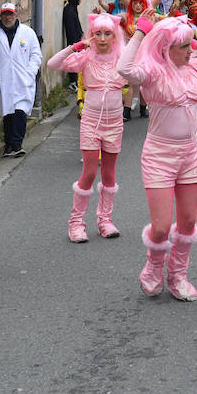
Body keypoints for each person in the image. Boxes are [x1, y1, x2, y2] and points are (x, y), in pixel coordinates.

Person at [117, 16, 197, 300]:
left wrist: (193, 40)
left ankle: (178, 276)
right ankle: (154, 267)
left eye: (188, 46)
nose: (189, 51)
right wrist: (140, 34)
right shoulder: (152, 72)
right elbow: (124, 68)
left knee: (188, 223)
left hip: (191, 154)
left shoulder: (195, 66)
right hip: (159, 154)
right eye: (181, 47)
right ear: (166, 47)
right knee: (159, 227)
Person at [45, 13, 128, 242]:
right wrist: (77, 46)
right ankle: (76, 223)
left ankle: (105, 220)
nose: (101, 38)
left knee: (109, 174)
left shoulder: (122, 58)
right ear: (91, 35)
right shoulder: (85, 57)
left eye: (107, 33)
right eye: (97, 33)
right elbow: (53, 63)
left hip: (115, 122)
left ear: (114, 36)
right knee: (90, 172)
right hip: (91, 121)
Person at [0, 2, 42, 158]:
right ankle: (9, 145)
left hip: (23, 81)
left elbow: (36, 55)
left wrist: (30, 72)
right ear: (1, 16)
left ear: (16, 15)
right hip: (4, 81)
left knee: (20, 111)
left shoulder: (28, 33)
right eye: (5, 14)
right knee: (8, 114)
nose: (8, 17)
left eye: (10, 14)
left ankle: (17, 144)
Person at [61, 0, 84, 87]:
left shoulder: (72, 9)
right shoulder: (69, 11)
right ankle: (72, 82)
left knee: (76, 61)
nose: (80, 0)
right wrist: (75, 43)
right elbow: (70, 29)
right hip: (73, 41)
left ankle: (75, 81)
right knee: (73, 61)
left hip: (76, 40)